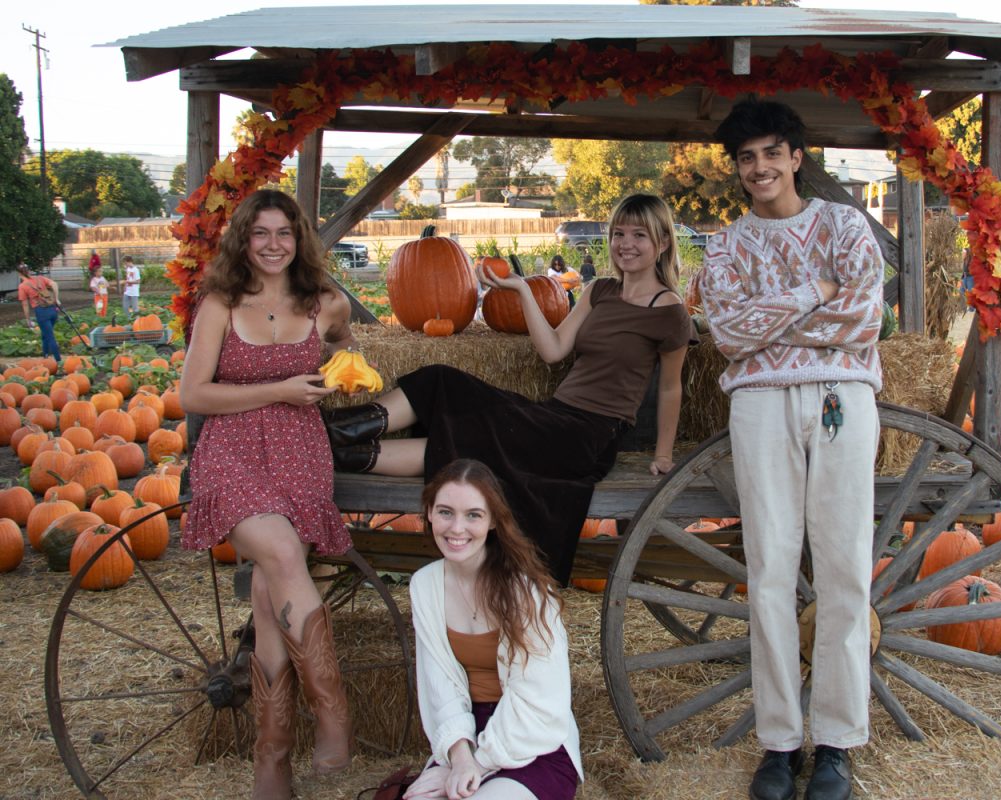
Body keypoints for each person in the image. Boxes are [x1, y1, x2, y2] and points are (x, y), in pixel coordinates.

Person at [323, 193, 693, 585]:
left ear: (663, 242)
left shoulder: (670, 312)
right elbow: (553, 351)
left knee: (467, 434)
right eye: (619, 233)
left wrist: (664, 454)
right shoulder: (599, 291)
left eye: (639, 235)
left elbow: (671, 388)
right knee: (439, 378)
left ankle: (329, 444)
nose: (626, 244)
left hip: (589, 436)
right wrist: (521, 290)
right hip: (553, 415)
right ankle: (331, 437)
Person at [699, 100, 883, 800]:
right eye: (747, 159)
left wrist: (776, 322)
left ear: (797, 157)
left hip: (843, 400)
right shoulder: (726, 246)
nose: (760, 168)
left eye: (772, 153)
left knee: (844, 569)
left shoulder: (844, 224)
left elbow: (866, 315)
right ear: (739, 170)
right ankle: (779, 742)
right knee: (770, 570)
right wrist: (816, 291)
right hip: (760, 407)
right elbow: (730, 333)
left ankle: (835, 741)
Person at [179, 189, 357, 800]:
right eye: (261, 234)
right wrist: (279, 388)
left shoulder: (323, 302)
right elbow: (193, 396)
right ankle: (332, 709)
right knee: (280, 555)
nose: (274, 244)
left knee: (266, 588)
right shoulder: (220, 305)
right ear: (243, 240)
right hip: (231, 450)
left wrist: (340, 366)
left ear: (298, 237)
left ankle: (271, 759)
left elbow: (345, 348)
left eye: (284, 232)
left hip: (300, 452)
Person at [403, 458, 583, 800]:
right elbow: (438, 686)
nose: (457, 528)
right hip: (465, 737)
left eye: (473, 515)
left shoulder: (528, 594)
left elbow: (541, 702)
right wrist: (458, 758)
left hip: (531, 739)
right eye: (445, 512)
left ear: (493, 523)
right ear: (428, 513)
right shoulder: (424, 585)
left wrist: (479, 763)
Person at [16, 263, 62, 362]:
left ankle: (59, 361)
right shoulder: (40, 278)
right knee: (45, 334)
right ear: (28, 271)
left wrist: (28, 319)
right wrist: (57, 299)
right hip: (53, 310)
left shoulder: (23, 286)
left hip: (41, 312)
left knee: (50, 336)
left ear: (19, 274)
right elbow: (54, 284)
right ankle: (45, 356)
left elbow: (25, 305)